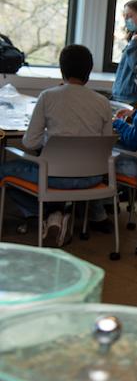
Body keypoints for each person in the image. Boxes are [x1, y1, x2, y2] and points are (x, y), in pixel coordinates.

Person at [0, 45, 112, 246]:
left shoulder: (48, 96)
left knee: (4, 171)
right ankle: (61, 213)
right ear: (89, 70)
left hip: (54, 179)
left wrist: (51, 140)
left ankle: (48, 214)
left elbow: (29, 142)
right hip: (91, 178)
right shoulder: (103, 102)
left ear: (63, 70)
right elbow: (104, 146)